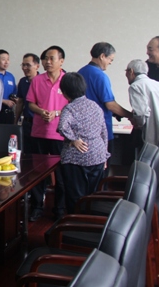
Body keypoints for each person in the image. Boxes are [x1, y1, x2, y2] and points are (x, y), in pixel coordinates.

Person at [26, 46, 69, 221]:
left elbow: (73, 105)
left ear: (61, 61)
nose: (47, 62)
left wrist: (56, 113)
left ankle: (59, 209)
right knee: (37, 173)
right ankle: (37, 207)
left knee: (61, 174)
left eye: (52, 58)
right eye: (45, 59)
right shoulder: (37, 80)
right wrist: (41, 111)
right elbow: (31, 103)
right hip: (39, 132)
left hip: (61, 134)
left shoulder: (68, 81)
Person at [57, 72, 109, 214]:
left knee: (75, 196)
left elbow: (62, 127)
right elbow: (104, 132)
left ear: (65, 92)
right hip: (97, 155)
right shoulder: (95, 106)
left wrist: (73, 139)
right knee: (93, 195)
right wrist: (104, 155)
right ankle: (89, 220)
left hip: (76, 158)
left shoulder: (70, 108)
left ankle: (75, 220)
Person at [78, 42, 133, 151]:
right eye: (110, 59)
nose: (110, 63)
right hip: (101, 131)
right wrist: (131, 115)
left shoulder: (80, 73)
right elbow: (110, 105)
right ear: (102, 56)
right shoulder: (100, 76)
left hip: (82, 130)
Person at [126, 59, 159, 146]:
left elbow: (141, 113)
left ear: (131, 71)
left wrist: (137, 123)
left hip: (152, 134)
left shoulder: (136, 86)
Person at [15, 53, 40, 153]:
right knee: (25, 151)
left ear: (37, 66)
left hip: (39, 123)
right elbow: (20, 102)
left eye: (28, 65)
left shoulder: (43, 81)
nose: (25, 68)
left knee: (38, 152)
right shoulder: (22, 81)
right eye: (23, 65)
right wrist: (15, 121)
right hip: (26, 122)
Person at [0, 49, 17, 124]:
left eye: (8, 59)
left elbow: (14, 92)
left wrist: (15, 99)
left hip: (8, 112)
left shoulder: (10, 76)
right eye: (3, 59)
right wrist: (3, 101)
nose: (6, 62)